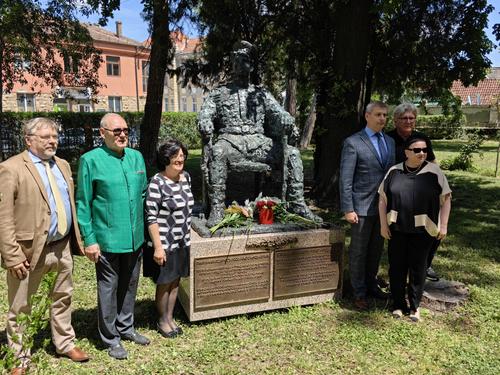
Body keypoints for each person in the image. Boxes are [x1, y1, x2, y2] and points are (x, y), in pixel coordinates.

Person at [0, 118, 89, 374]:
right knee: (21, 306)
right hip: (28, 251)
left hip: (61, 246)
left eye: (55, 137)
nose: (53, 141)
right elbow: (3, 216)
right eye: (46, 137)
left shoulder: (61, 165)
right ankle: (19, 357)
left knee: (63, 297)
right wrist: (12, 255)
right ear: (29, 140)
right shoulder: (11, 168)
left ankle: (64, 342)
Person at [198, 40, 320, 227]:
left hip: (258, 143)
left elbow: (278, 112)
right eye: (235, 61)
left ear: (252, 66)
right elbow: (205, 112)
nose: (239, 65)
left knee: (293, 154)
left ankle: (297, 203)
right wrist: (205, 121)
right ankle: (217, 208)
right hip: (230, 142)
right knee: (217, 152)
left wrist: (285, 118)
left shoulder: (261, 94)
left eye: (244, 60)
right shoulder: (219, 93)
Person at [76, 113, 150, 360]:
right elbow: (83, 203)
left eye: (126, 130)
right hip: (107, 239)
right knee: (109, 289)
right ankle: (110, 337)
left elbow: (143, 196)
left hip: (135, 238)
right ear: (102, 133)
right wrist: (89, 239)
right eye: (116, 130)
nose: (122, 135)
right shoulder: (90, 161)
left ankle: (126, 327)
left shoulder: (136, 157)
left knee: (130, 285)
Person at [378, 137, 451, 322]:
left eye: (424, 150)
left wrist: (443, 225)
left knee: (418, 269)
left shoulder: (434, 172)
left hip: (424, 230)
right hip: (397, 228)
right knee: (397, 268)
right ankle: (397, 305)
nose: (422, 153)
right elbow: (382, 199)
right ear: (407, 152)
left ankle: (415, 307)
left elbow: (447, 199)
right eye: (417, 150)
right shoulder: (394, 171)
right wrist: (383, 225)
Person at [339, 101, 395, 310]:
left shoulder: (389, 142)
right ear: (367, 116)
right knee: (359, 251)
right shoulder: (353, 142)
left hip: (382, 208)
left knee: (375, 250)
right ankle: (358, 292)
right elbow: (345, 179)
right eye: (379, 115)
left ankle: (372, 286)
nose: (383, 119)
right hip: (360, 208)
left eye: (385, 115)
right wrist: (348, 208)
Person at [144, 139, 194, 338]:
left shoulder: (186, 177)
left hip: (183, 241)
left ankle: (170, 317)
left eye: (182, 155)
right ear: (166, 158)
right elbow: (151, 216)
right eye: (175, 156)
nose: (179, 159)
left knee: (175, 281)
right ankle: (162, 320)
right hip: (164, 243)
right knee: (164, 283)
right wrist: (158, 247)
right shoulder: (157, 182)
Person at [386, 103, 440, 281]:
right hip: (399, 191)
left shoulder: (422, 138)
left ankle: (425, 264)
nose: (408, 121)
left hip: (422, 190)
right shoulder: (388, 139)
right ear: (395, 121)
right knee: (400, 231)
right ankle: (401, 268)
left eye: (412, 118)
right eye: (404, 118)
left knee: (431, 229)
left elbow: (432, 162)